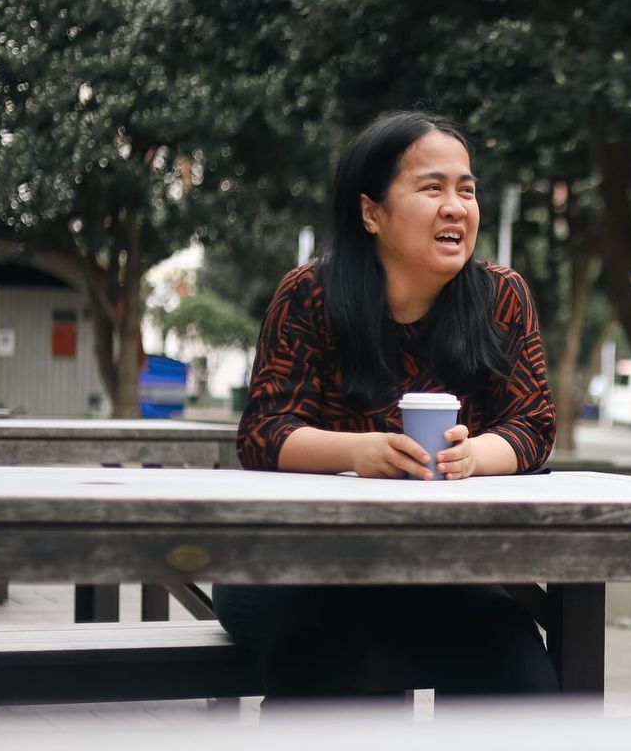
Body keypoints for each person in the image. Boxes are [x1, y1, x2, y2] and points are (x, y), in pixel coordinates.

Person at [215, 110, 560, 710]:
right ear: (371, 212)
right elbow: (264, 433)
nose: (456, 206)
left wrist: (472, 456)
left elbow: (532, 427)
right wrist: (360, 453)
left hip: (431, 568)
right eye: (432, 188)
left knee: (517, 663)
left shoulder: (501, 297)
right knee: (331, 662)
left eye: (466, 189)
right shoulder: (310, 294)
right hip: (292, 563)